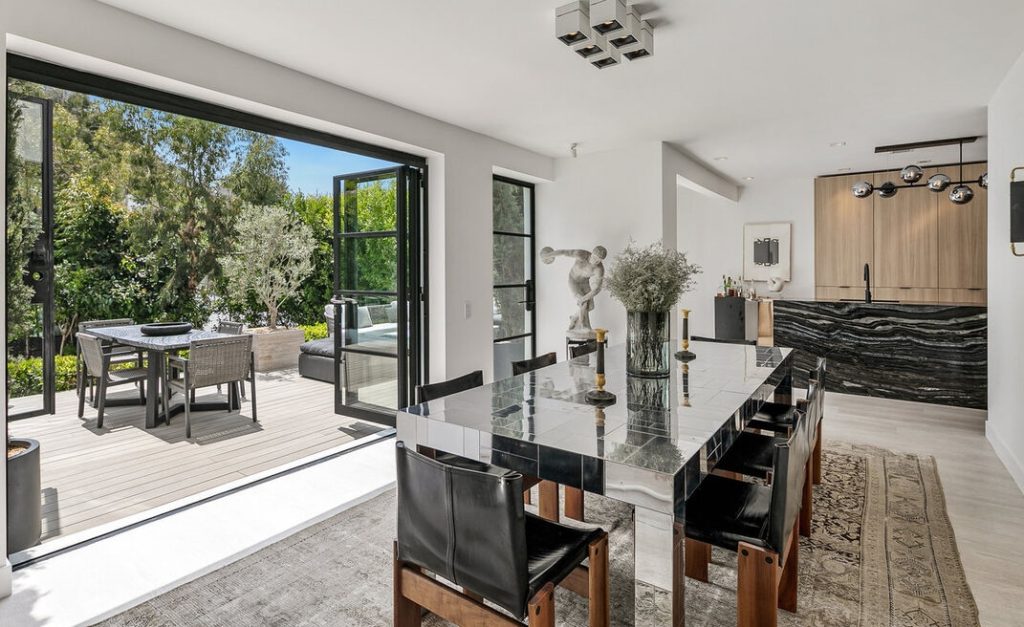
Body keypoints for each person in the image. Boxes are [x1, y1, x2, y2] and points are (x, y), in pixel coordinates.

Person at [540, 245, 606, 339]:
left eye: (599, 260)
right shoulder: (582, 254)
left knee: (590, 306)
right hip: (573, 281)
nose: (596, 261)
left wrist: (584, 297)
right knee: (583, 303)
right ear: (591, 254)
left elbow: (597, 289)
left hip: (585, 283)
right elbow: (564, 252)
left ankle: (574, 318)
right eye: (595, 258)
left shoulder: (599, 269)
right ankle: (584, 327)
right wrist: (549, 255)